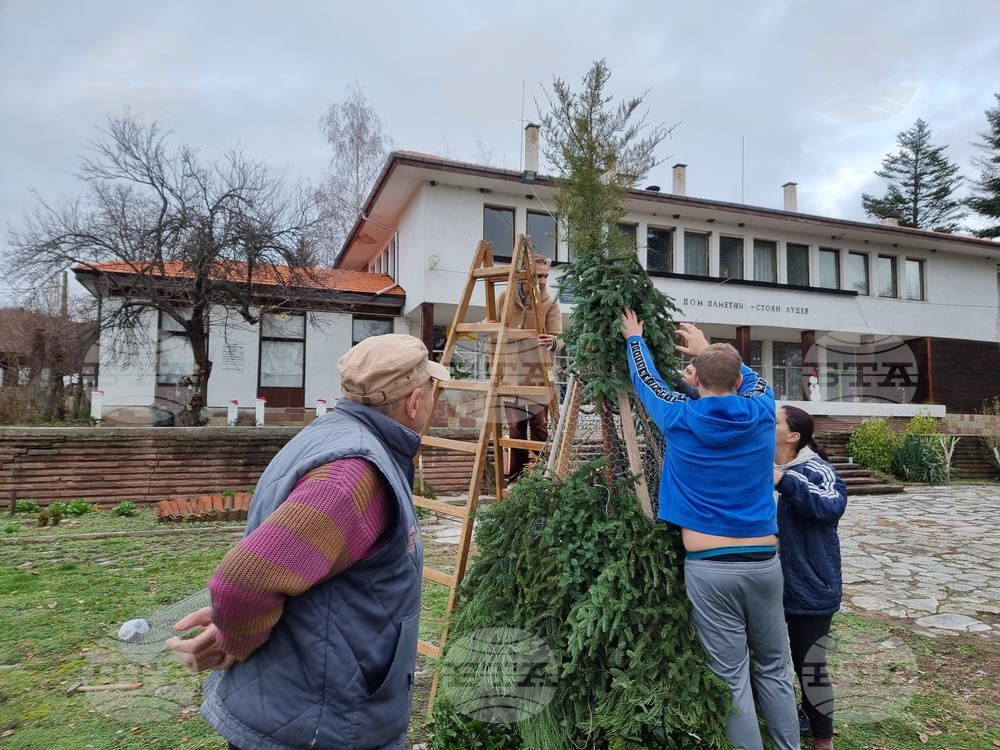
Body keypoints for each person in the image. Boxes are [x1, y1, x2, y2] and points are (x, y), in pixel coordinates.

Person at [167, 334, 450, 750]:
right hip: (322, 726)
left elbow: (294, 564)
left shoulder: (330, 434)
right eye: (431, 390)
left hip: (304, 709)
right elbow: (244, 580)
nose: (432, 400)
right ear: (412, 401)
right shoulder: (355, 476)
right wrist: (235, 640)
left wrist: (242, 620)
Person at [621, 309, 800, 750]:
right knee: (776, 668)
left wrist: (635, 339)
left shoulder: (681, 416)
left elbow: (647, 383)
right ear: (739, 382)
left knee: (731, 676)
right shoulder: (761, 410)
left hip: (709, 567)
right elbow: (757, 381)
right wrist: (707, 349)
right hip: (764, 563)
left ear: (695, 382)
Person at [774, 405, 848, 750]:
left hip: (810, 587)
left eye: (774, 419)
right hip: (767, 583)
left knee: (810, 666)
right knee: (771, 659)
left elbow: (831, 505)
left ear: (793, 436)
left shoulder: (817, 469)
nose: (764, 420)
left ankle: (823, 741)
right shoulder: (758, 463)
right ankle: (792, 716)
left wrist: (784, 480)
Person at [496, 252, 563, 482]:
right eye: (538, 275)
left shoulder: (551, 303)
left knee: (539, 427)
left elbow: (560, 339)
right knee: (515, 428)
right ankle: (516, 478)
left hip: (538, 376)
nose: (543, 281)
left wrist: (552, 342)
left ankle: (543, 476)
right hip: (512, 375)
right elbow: (495, 324)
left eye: (546, 276)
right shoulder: (504, 297)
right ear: (524, 274)